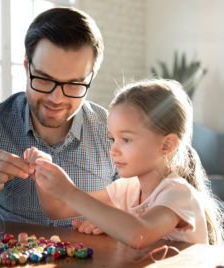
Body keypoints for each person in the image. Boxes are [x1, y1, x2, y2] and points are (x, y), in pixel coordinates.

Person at [0, 7, 117, 226]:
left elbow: (145, 205)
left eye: (73, 84)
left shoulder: (113, 130)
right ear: (27, 67)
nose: (56, 98)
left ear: (91, 78)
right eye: (44, 79)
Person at [26, 79, 223, 247]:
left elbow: (139, 234)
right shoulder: (127, 190)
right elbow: (57, 210)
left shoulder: (178, 194)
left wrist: (70, 192)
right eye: (112, 139)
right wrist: (43, 171)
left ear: (167, 145)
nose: (114, 150)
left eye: (126, 140)